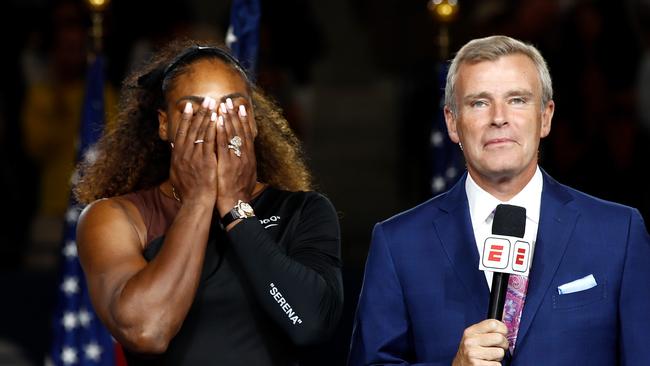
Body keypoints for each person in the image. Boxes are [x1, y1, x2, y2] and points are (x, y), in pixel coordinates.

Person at [348, 35, 650, 365]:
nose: (499, 117)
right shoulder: (398, 244)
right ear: (452, 122)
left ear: (546, 117)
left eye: (517, 100)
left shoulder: (618, 233)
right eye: (479, 102)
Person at [74, 39, 343, 365]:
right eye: (195, 111)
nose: (215, 126)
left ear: (253, 123)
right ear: (164, 124)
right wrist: (199, 200)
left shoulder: (303, 211)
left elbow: (310, 326)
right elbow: (146, 331)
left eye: (231, 108)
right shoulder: (116, 217)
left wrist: (235, 207)